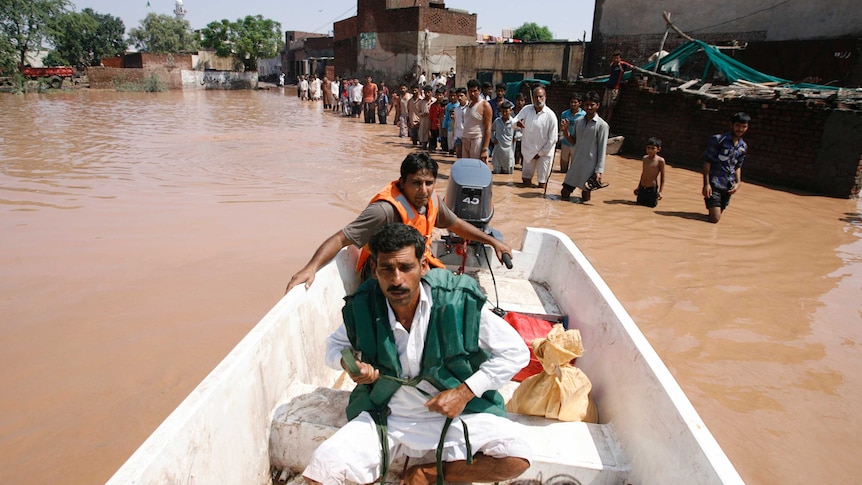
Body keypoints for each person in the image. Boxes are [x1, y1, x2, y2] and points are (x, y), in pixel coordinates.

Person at [302, 223, 532, 485]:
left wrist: (463, 393)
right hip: (388, 417)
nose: (396, 279)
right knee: (321, 470)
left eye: (406, 268)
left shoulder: (455, 302)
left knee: (516, 457)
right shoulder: (365, 306)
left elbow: (516, 353)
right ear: (375, 270)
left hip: (453, 416)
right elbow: (332, 348)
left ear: (423, 266)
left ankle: (425, 475)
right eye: (386, 269)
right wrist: (351, 364)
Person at [285, 152, 513, 291]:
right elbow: (340, 238)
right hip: (382, 271)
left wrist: (493, 242)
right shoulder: (384, 210)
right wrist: (310, 268)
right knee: (438, 294)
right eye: (416, 183)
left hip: (416, 263)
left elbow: (455, 224)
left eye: (428, 182)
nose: (423, 190)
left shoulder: (432, 200)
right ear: (402, 182)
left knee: (464, 289)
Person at [561, 91, 609, 202]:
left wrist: (599, 171)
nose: (589, 107)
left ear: (597, 105)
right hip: (576, 163)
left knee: (586, 193)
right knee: (565, 192)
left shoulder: (602, 125)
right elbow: (573, 141)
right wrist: (565, 131)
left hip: (590, 165)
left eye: (592, 105)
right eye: (587, 105)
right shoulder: (578, 122)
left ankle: (586, 217)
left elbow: (602, 150)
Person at [703, 112, 750, 223]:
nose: (741, 129)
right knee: (715, 219)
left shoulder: (743, 147)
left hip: (728, 185)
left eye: (744, 127)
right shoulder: (718, 140)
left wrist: (738, 183)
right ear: (732, 125)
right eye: (738, 126)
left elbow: (738, 166)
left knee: (717, 215)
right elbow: (707, 161)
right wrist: (706, 184)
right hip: (714, 182)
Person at [514, 86, 557, 189]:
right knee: (525, 180)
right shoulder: (526, 109)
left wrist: (540, 153)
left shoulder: (550, 115)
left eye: (540, 97)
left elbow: (553, 139)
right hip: (528, 151)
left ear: (545, 97)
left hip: (544, 154)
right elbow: (513, 122)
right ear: (532, 98)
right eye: (536, 97)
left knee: (542, 183)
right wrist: (517, 124)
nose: (538, 99)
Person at [461, 79, 492, 162]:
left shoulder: (485, 105)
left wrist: (485, 149)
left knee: (476, 167)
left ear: (479, 91)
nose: (472, 93)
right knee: (466, 167)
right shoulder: (468, 105)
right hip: (465, 139)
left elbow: (488, 127)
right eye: (470, 91)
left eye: (475, 91)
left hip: (477, 140)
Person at [634, 137, 666, 208]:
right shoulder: (645, 158)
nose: (650, 150)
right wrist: (638, 187)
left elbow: (662, 177)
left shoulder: (660, 161)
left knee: (650, 208)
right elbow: (643, 173)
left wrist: (660, 192)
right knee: (638, 207)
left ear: (658, 149)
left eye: (652, 148)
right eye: (648, 148)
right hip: (642, 188)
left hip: (652, 190)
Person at [601, 51, 632, 124]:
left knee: (610, 107)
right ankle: (602, 121)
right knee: (605, 106)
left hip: (615, 88)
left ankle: (607, 123)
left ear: (620, 59)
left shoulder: (622, 65)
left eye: (617, 58)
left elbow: (631, 67)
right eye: (614, 58)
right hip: (609, 86)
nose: (615, 60)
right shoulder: (612, 65)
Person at [558, 94, 586, 174]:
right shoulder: (564, 114)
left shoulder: (584, 115)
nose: (573, 104)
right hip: (565, 143)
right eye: (571, 102)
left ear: (579, 103)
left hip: (577, 144)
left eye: (575, 102)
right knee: (563, 169)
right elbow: (562, 127)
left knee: (574, 169)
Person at [491, 101, 515, 174]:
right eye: (503, 111)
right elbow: (491, 130)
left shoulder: (514, 122)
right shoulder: (497, 121)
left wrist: (516, 137)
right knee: (496, 172)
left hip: (509, 149)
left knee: (508, 175)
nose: (504, 113)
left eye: (506, 111)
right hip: (498, 149)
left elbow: (520, 133)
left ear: (510, 111)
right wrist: (493, 138)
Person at [512, 93, 527, 168]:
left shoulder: (527, 112)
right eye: (518, 100)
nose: (520, 102)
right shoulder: (511, 112)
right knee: (514, 159)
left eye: (522, 100)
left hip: (524, 137)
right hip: (513, 137)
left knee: (524, 154)